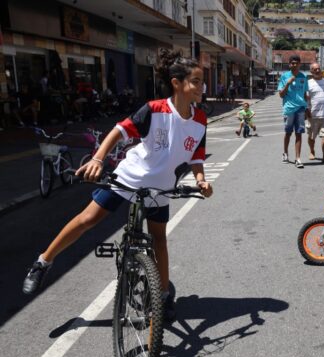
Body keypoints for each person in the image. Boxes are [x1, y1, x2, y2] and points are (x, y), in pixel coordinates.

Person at [22, 49, 214, 322]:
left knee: (159, 240)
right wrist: (98, 159)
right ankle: (43, 262)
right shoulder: (154, 110)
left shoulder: (200, 119)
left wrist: (200, 179)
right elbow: (118, 131)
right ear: (176, 83)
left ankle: (162, 295)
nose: (201, 87)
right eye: (195, 81)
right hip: (129, 178)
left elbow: (196, 155)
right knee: (87, 219)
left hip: (160, 188)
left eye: (201, 81)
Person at [278, 54, 309, 168]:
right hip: (289, 109)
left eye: (297, 63)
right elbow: (281, 95)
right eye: (292, 63)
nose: (295, 65)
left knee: (299, 133)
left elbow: (305, 94)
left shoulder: (303, 77)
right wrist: (288, 83)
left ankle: (298, 158)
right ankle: (285, 153)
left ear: (299, 64)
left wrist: (307, 109)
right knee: (288, 133)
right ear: (289, 64)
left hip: (301, 108)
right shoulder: (284, 76)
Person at [306, 62, 324, 163]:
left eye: (318, 68)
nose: (317, 70)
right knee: (311, 137)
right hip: (312, 115)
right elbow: (305, 99)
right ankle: (312, 151)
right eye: (315, 69)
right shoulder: (308, 83)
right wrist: (306, 111)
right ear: (311, 71)